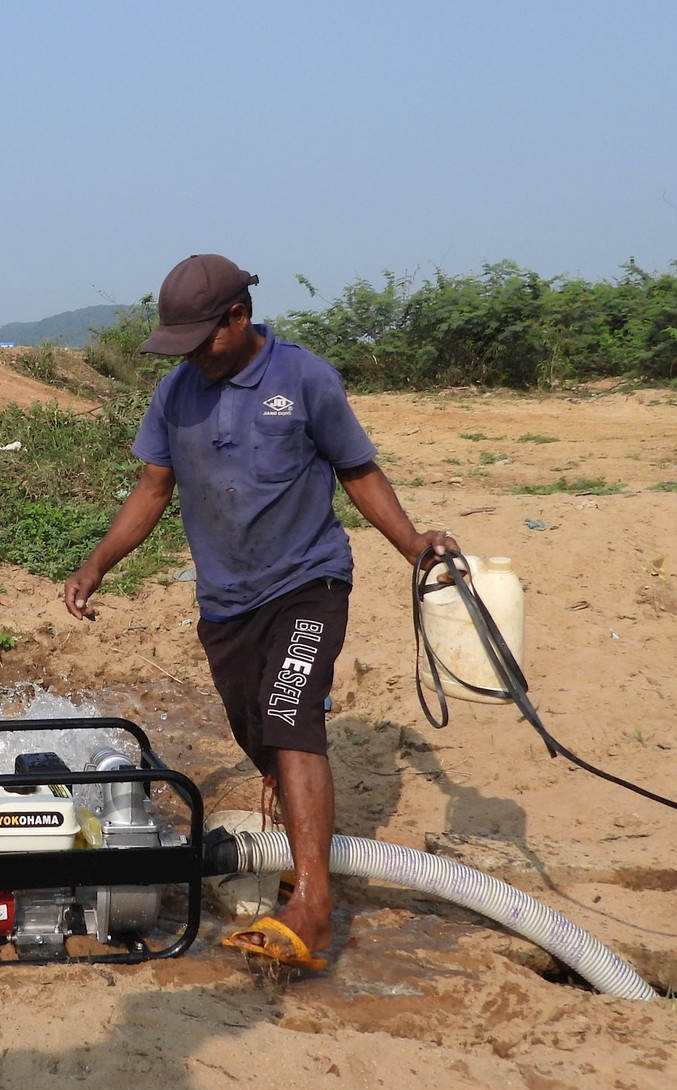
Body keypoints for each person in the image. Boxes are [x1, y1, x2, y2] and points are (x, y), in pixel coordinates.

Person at [62, 253, 457, 970]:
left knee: (290, 711)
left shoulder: (303, 377)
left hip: (309, 581)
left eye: (201, 339)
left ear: (239, 317)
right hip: (226, 603)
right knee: (260, 731)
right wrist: (97, 563)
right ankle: (296, 828)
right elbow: (152, 490)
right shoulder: (175, 393)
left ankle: (312, 907)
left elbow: (358, 470)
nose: (191, 356)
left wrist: (412, 545)